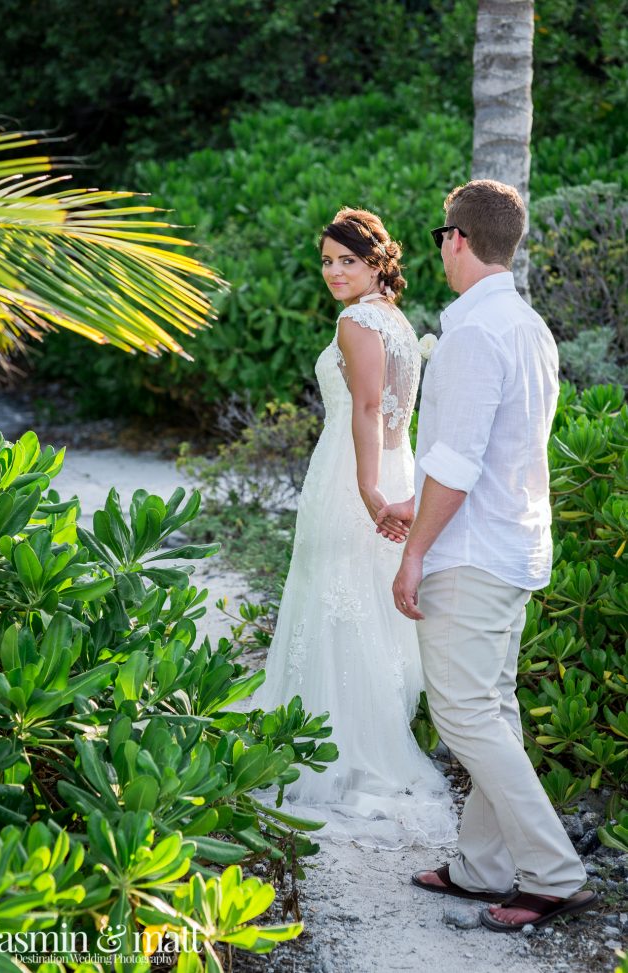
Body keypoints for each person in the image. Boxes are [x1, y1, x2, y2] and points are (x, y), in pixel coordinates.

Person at [377, 180, 596, 929]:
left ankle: (554, 872)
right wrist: (419, 503)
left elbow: (461, 462)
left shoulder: (474, 332)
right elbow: (491, 452)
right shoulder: (530, 326)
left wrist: (413, 553)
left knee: (465, 712)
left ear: (456, 240)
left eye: (443, 234)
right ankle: (483, 866)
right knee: (492, 708)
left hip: (473, 552)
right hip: (514, 541)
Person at [253, 207, 457, 849]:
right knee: (367, 602)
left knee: (338, 599)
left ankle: (340, 747)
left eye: (347, 260)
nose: (333, 272)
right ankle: (365, 732)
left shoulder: (355, 321)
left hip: (355, 473)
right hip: (399, 466)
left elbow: (367, 409)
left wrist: (368, 490)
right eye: (326, 260)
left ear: (376, 262)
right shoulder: (397, 321)